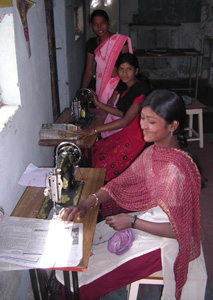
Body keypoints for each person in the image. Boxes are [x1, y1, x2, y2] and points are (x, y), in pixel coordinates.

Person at [57, 89, 207, 300]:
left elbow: (180, 231)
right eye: (142, 118)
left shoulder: (176, 172)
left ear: (172, 126)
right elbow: (120, 184)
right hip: (149, 223)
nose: (142, 125)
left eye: (151, 121)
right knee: (84, 243)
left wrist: (133, 222)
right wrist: (85, 204)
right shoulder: (155, 152)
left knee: (83, 276)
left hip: (166, 244)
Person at [79, 53, 151, 218]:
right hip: (128, 133)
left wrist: (96, 129)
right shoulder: (128, 87)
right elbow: (121, 112)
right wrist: (99, 104)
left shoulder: (141, 90)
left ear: (136, 71)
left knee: (104, 162)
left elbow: (125, 120)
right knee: (96, 149)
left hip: (138, 137)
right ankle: (99, 201)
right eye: (121, 69)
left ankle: (108, 206)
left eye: (129, 69)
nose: (125, 73)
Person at [81, 9, 133, 138]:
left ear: (108, 23)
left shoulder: (120, 41)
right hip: (101, 88)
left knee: (118, 121)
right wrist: (82, 92)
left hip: (119, 87)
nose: (99, 27)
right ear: (91, 25)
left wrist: (115, 94)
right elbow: (88, 71)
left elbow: (128, 69)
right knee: (102, 119)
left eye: (102, 23)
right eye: (95, 24)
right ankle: (106, 149)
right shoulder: (91, 44)